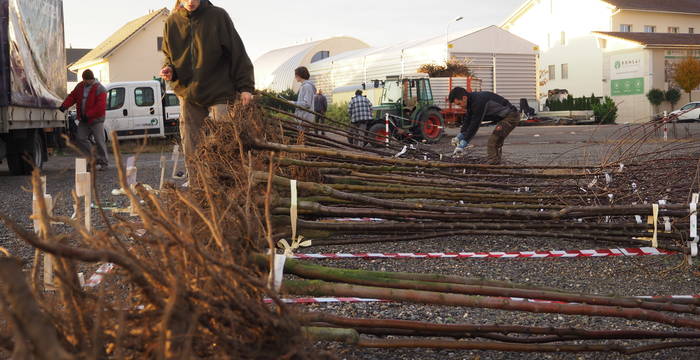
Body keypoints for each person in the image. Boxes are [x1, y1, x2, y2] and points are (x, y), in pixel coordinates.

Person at [160, 0, 254, 176]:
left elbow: (237, 53)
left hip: (220, 91)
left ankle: (227, 185)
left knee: (224, 142)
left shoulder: (218, 16)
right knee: (192, 145)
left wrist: (246, 87)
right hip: (188, 93)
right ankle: (198, 189)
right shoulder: (172, 22)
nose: (191, 2)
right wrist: (169, 69)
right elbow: (168, 56)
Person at [448, 87, 520, 164]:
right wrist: (460, 135)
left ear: (464, 98)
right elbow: (468, 120)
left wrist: (463, 143)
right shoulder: (471, 101)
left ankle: (493, 164)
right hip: (504, 117)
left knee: (493, 141)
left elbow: (475, 124)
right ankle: (496, 162)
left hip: (511, 116)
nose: (459, 106)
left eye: (459, 104)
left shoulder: (478, 101)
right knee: (497, 141)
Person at [59, 69, 108, 170]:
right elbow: (73, 97)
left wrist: (88, 114)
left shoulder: (100, 89)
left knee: (99, 141)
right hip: (84, 119)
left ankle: (104, 162)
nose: (85, 82)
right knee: (80, 138)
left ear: (92, 79)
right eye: (84, 80)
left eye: (87, 80)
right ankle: (92, 159)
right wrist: (65, 105)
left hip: (96, 120)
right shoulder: (80, 86)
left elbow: (100, 107)